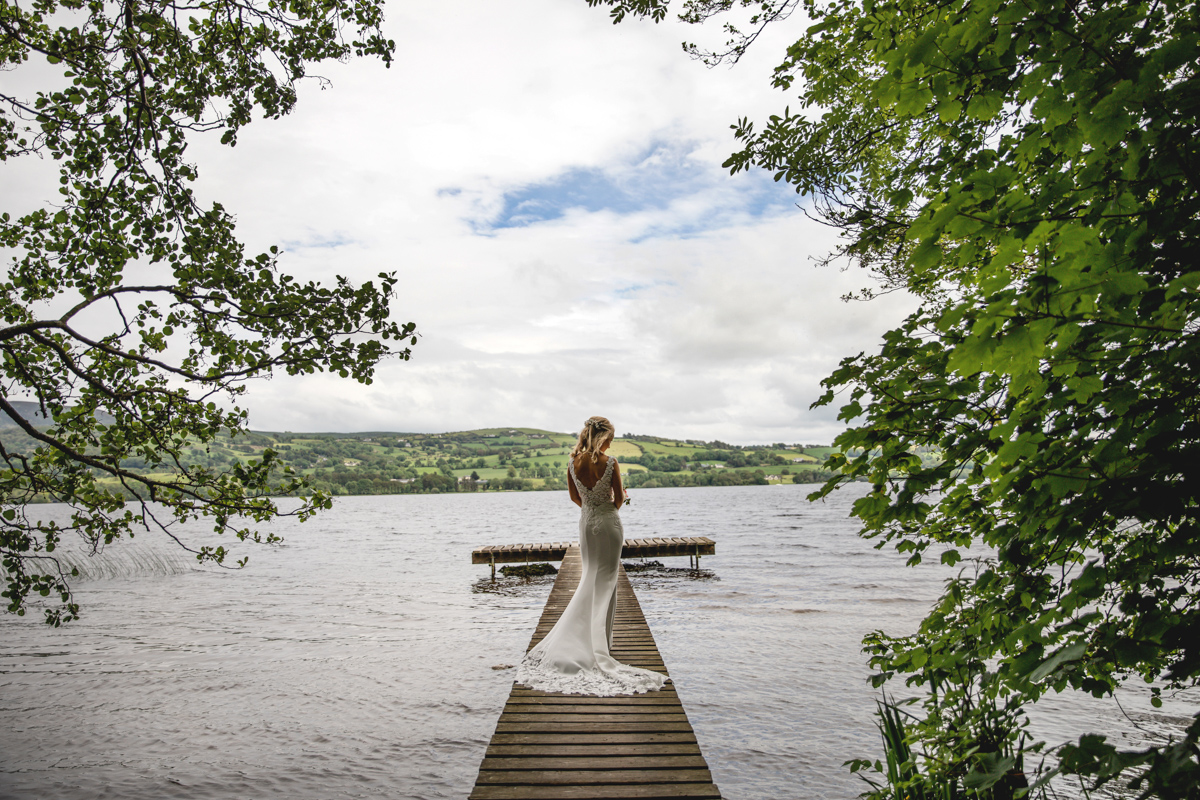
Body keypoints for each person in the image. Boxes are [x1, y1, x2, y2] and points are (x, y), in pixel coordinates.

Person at [516, 416, 668, 696]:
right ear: (602, 437)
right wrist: (608, 506)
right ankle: (600, 646)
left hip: (586, 524)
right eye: (610, 437)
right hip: (608, 524)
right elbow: (619, 500)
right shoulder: (610, 463)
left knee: (590, 578)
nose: (611, 442)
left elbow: (575, 498)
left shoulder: (572, 464)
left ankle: (587, 640)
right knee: (607, 581)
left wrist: (591, 506)